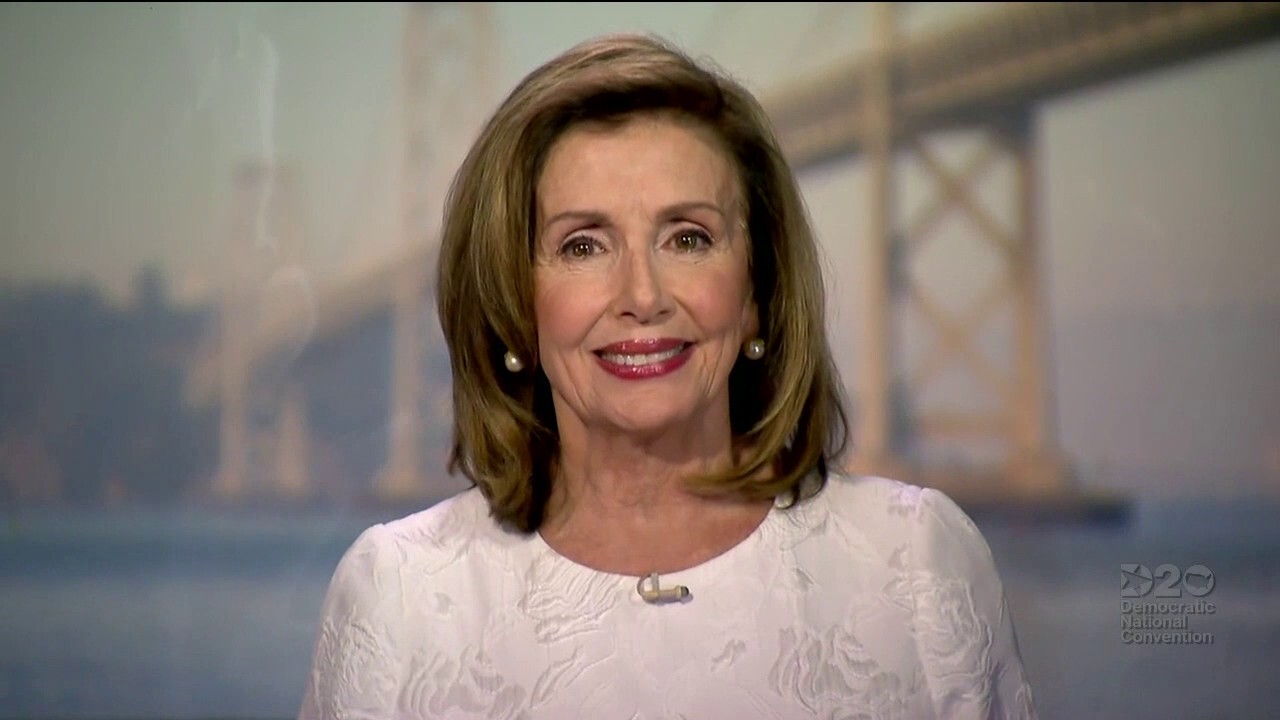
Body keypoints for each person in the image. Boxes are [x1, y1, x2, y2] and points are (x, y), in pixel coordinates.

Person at [298, 32, 1037, 720]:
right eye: (583, 246)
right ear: (514, 303)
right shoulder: (399, 597)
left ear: (756, 294)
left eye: (688, 238)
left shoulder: (918, 565)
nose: (643, 296)